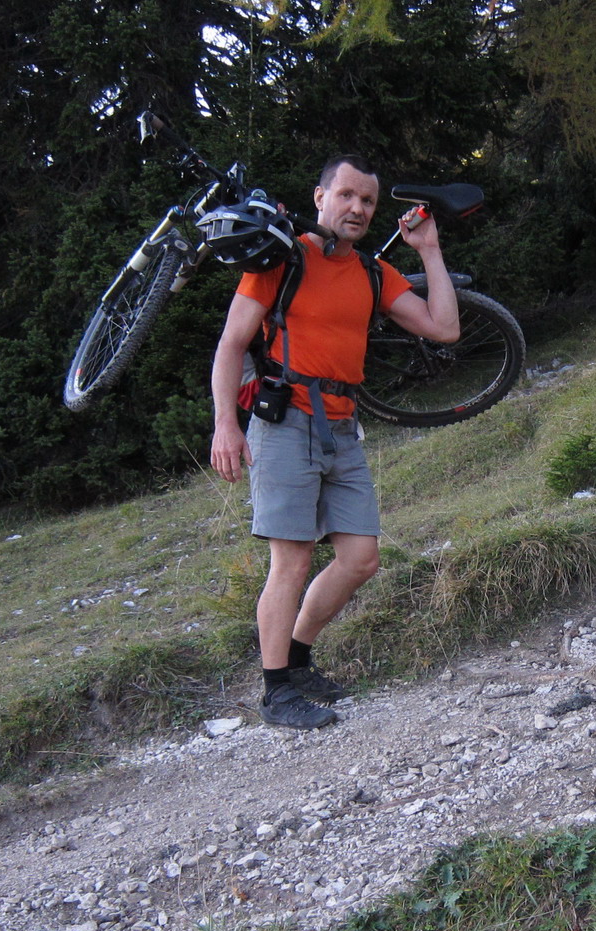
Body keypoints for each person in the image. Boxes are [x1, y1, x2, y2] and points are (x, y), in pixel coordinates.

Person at [208, 154, 458, 730]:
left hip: (343, 428)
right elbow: (231, 343)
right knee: (291, 560)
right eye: (346, 195)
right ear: (319, 197)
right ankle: (276, 694)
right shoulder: (282, 258)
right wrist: (225, 422)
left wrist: (429, 251)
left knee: (360, 559)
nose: (357, 208)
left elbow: (444, 328)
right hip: (284, 422)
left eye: (367, 201)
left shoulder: (372, 274)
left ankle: (295, 658)